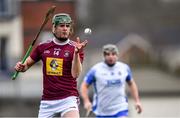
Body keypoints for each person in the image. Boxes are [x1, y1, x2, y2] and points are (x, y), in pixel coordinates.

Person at [14, 13, 88, 118]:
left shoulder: (76, 48)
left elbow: (75, 74)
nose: (65, 29)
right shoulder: (43, 47)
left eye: (67, 26)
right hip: (47, 102)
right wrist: (20, 66)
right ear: (54, 28)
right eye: (62, 25)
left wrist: (76, 54)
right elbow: (26, 65)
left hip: (68, 99)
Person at [81, 44, 142, 118]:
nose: (111, 57)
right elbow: (84, 86)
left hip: (120, 108)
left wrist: (137, 101)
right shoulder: (96, 69)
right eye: (108, 54)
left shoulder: (124, 68)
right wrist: (86, 101)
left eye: (113, 54)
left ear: (117, 55)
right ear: (103, 56)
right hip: (102, 111)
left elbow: (131, 84)